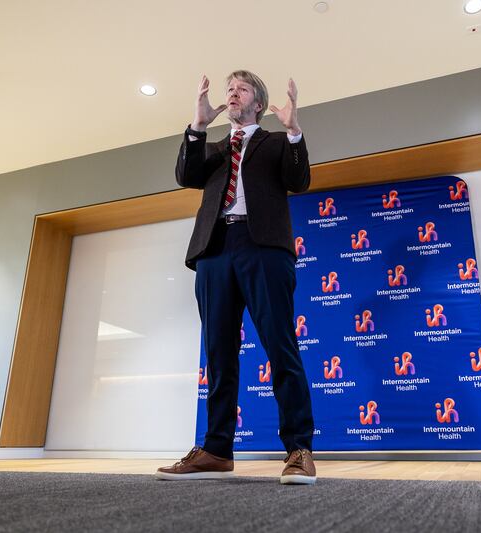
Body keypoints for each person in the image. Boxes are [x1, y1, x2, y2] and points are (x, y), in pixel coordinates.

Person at [155, 71, 316, 485]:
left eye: (241, 88)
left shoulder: (277, 142)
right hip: (214, 249)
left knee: (281, 346)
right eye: (230, 88)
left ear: (258, 103)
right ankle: (215, 449)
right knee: (219, 353)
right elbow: (185, 176)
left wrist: (294, 129)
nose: (232, 92)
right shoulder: (211, 149)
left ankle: (298, 449)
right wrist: (198, 126)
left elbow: (299, 181)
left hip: (262, 246)